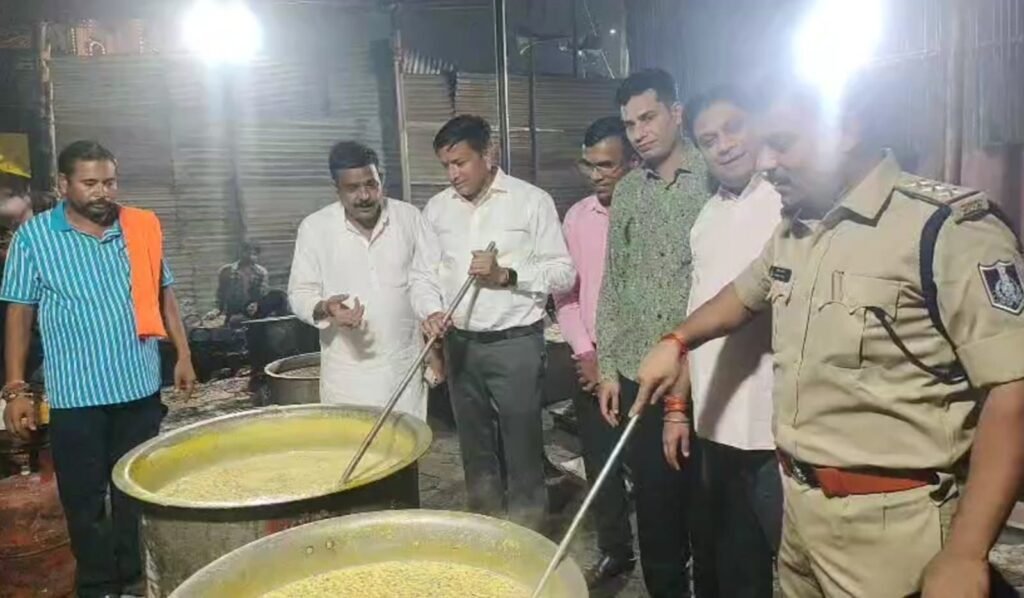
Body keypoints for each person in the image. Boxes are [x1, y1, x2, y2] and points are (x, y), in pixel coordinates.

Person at [634, 77, 1024, 598]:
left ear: (847, 129)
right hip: (802, 514)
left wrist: (966, 553)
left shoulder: (946, 229)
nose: (765, 162)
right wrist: (677, 339)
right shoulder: (798, 229)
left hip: (892, 527)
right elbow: (741, 296)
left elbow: (1012, 390)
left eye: (781, 144)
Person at [1, 140, 196, 598]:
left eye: (109, 182)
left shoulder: (139, 227)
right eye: (90, 183)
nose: (102, 192)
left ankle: (134, 579)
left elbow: (164, 293)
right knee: (84, 502)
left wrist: (184, 354)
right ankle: (98, 587)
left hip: (139, 388)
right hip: (75, 397)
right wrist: (15, 388)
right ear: (63, 184)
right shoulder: (35, 238)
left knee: (136, 494)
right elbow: (19, 312)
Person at [415, 115, 575, 532]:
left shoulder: (530, 201)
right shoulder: (437, 209)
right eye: (446, 166)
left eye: (460, 163)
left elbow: (564, 273)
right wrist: (431, 310)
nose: (453, 175)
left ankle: (527, 534)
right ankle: (485, 529)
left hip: (515, 344)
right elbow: (422, 275)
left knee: (523, 446)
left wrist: (507, 274)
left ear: (489, 154)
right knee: (475, 447)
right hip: (460, 345)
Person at [595, 68, 709, 597]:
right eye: (630, 124)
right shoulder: (628, 194)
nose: (639, 133)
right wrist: (608, 368)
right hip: (640, 379)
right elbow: (613, 281)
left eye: (648, 117)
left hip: (704, 380)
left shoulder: (713, 182)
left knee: (707, 519)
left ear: (676, 113)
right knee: (657, 519)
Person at [678, 85, 783, 598]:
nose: (724, 145)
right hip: (717, 424)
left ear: (757, 124)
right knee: (738, 569)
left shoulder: (787, 203)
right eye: (709, 139)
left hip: (778, 432)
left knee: (803, 568)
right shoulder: (706, 219)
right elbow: (693, 320)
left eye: (733, 128)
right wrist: (678, 408)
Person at [288, 141, 441, 421]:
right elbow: (300, 292)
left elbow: (427, 281)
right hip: (347, 376)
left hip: (403, 369)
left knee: (407, 442)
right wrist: (326, 308)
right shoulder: (315, 228)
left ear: (381, 178)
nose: (365, 196)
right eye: (352, 188)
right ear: (337, 189)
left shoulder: (409, 218)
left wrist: (435, 350)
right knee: (355, 445)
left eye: (371, 184)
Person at [553, 116, 637, 587]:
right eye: (590, 165)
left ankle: (674, 552)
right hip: (591, 360)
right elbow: (565, 297)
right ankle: (615, 550)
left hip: (642, 362)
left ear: (633, 162)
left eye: (608, 165)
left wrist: (617, 360)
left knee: (654, 467)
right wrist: (586, 352)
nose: (596, 175)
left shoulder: (650, 215)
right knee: (600, 463)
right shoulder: (578, 217)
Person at [216, 240, 270, 321]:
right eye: (247, 252)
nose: (250, 256)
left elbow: (263, 295)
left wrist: (256, 305)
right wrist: (218, 311)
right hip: (231, 313)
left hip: (253, 314)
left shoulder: (261, 272)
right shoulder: (226, 271)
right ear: (240, 253)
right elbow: (220, 294)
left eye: (254, 254)